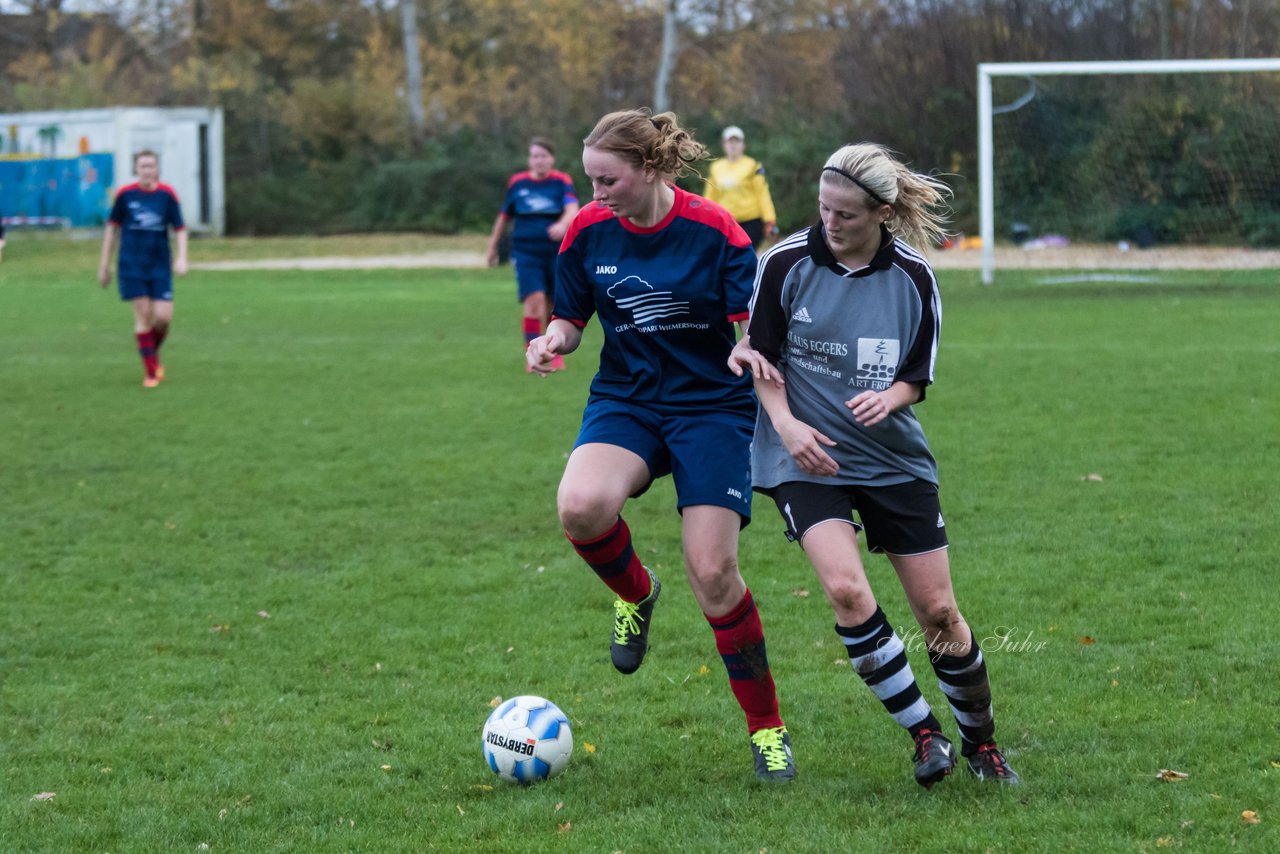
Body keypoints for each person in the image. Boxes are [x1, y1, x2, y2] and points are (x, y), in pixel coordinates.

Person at [729, 143, 1020, 788]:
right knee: (846, 590)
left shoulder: (913, 276)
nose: (829, 223)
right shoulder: (784, 263)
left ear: (882, 213)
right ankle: (924, 734)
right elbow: (761, 361)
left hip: (892, 458)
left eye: (846, 215)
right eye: (823, 209)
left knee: (939, 613)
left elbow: (919, 375)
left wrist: (891, 395)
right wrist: (786, 426)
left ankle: (982, 745)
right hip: (806, 457)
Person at [526, 109, 795, 782]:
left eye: (607, 180)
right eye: (589, 180)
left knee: (713, 575)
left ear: (649, 170)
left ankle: (767, 731)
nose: (595, 196)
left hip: (711, 408)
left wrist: (746, 349)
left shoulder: (716, 230)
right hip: (629, 399)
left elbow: (751, 326)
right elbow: (570, 317)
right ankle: (637, 595)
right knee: (581, 506)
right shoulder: (589, 231)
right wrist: (551, 340)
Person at [485, 137, 579, 371]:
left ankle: (552, 352)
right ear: (530, 159)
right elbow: (503, 217)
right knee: (534, 301)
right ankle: (532, 354)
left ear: (551, 159)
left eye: (543, 156)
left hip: (556, 253)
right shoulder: (518, 183)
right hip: (526, 253)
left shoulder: (561, 181)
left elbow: (572, 208)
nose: (539, 160)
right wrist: (492, 247)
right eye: (535, 156)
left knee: (552, 304)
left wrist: (562, 224)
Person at [97, 150, 188, 388]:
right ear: (136, 169)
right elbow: (111, 229)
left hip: (159, 265)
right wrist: (104, 264)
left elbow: (179, 228)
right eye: (142, 166)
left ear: (157, 169)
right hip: (131, 264)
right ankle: (151, 373)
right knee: (144, 314)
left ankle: (149, 353)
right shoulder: (126, 195)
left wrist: (182, 258)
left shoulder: (167, 195)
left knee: (163, 318)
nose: (147, 170)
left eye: (151, 166)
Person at [703, 125, 777, 250]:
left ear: (743, 145)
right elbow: (710, 196)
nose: (733, 145)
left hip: (751, 221)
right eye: (730, 141)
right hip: (726, 222)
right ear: (724, 145)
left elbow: (762, 194)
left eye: (737, 141)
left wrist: (770, 220)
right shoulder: (716, 167)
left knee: (745, 256)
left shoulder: (753, 165)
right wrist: (704, 218)